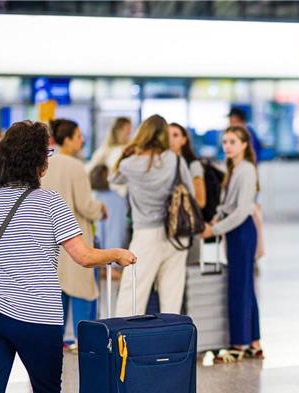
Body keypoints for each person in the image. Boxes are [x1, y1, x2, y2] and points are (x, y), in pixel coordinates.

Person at [0, 121, 135, 393]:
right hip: (35, 317)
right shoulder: (50, 203)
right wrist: (115, 254)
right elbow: (83, 257)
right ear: (38, 162)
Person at [112, 114, 195, 316]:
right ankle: (170, 343)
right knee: (172, 296)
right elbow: (190, 194)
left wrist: (127, 153)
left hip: (145, 235)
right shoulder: (175, 160)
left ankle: (124, 342)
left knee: (133, 294)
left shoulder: (129, 164)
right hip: (176, 233)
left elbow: (113, 178)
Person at [42, 119, 107, 352]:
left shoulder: (44, 163)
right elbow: (85, 205)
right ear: (67, 139)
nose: (82, 140)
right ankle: (84, 341)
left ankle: (52, 342)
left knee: (57, 295)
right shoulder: (75, 166)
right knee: (82, 290)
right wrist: (101, 209)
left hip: (50, 239)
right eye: (78, 136)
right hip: (75, 237)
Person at [203, 126, 263, 362]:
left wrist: (215, 228)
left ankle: (238, 344)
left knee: (239, 287)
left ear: (244, 145)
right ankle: (254, 342)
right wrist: (218, 214)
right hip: (236, 231)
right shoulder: (234, 168)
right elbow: (230, 205)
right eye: (225, 142)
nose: (227, 146)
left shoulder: (246, 170)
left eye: (233, 142)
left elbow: (243, 210)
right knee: (245, 286)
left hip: (242, 232)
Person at [91, 164, 128, 280]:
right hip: (117, 257)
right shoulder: (119, 199)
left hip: (98, 258)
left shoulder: (92, 198)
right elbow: (121, 229)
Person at [169, 122, 207, 209]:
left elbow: (200, 201)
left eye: (175, 135)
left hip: (184, 219)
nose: (170, 139)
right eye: (166, 135)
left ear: (184, 140)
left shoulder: (193, 165)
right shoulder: (162, 164)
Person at [86, 117, 132, 185]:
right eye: (127, 128)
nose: (130, 131)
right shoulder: (105, 149)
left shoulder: (130, 148)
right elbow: (91, 167)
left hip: (122, 186)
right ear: (119, 129)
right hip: (109, 187)